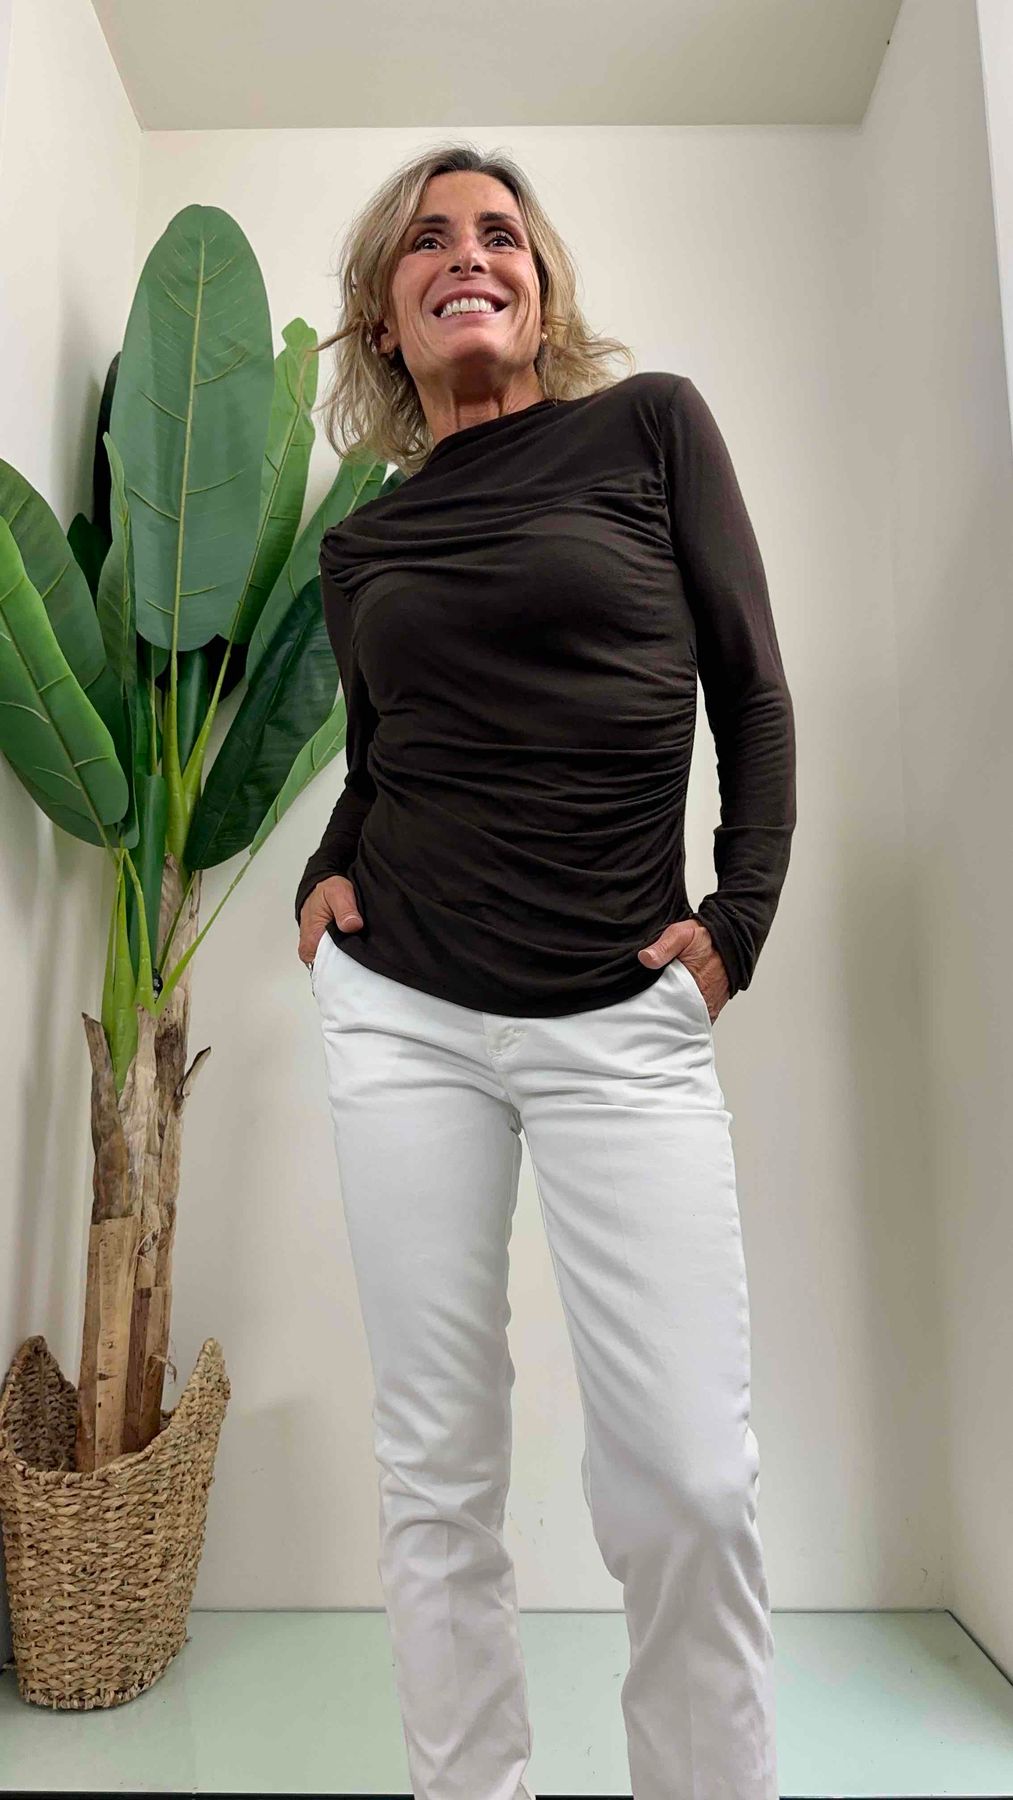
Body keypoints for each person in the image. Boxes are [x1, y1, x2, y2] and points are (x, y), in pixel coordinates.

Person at [295, 140, 795, 1800]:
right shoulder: (361, 546)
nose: (468, 254)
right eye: (427, 240)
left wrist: (737, 919)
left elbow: (752, 689)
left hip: (618, 1014)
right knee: (437, 1469)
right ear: (385, 316)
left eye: (498, 233)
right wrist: (322, 873)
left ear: (539, 284)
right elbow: (383, 753)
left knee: (688, 1483)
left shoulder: (647, 431)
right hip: (403, 1016)